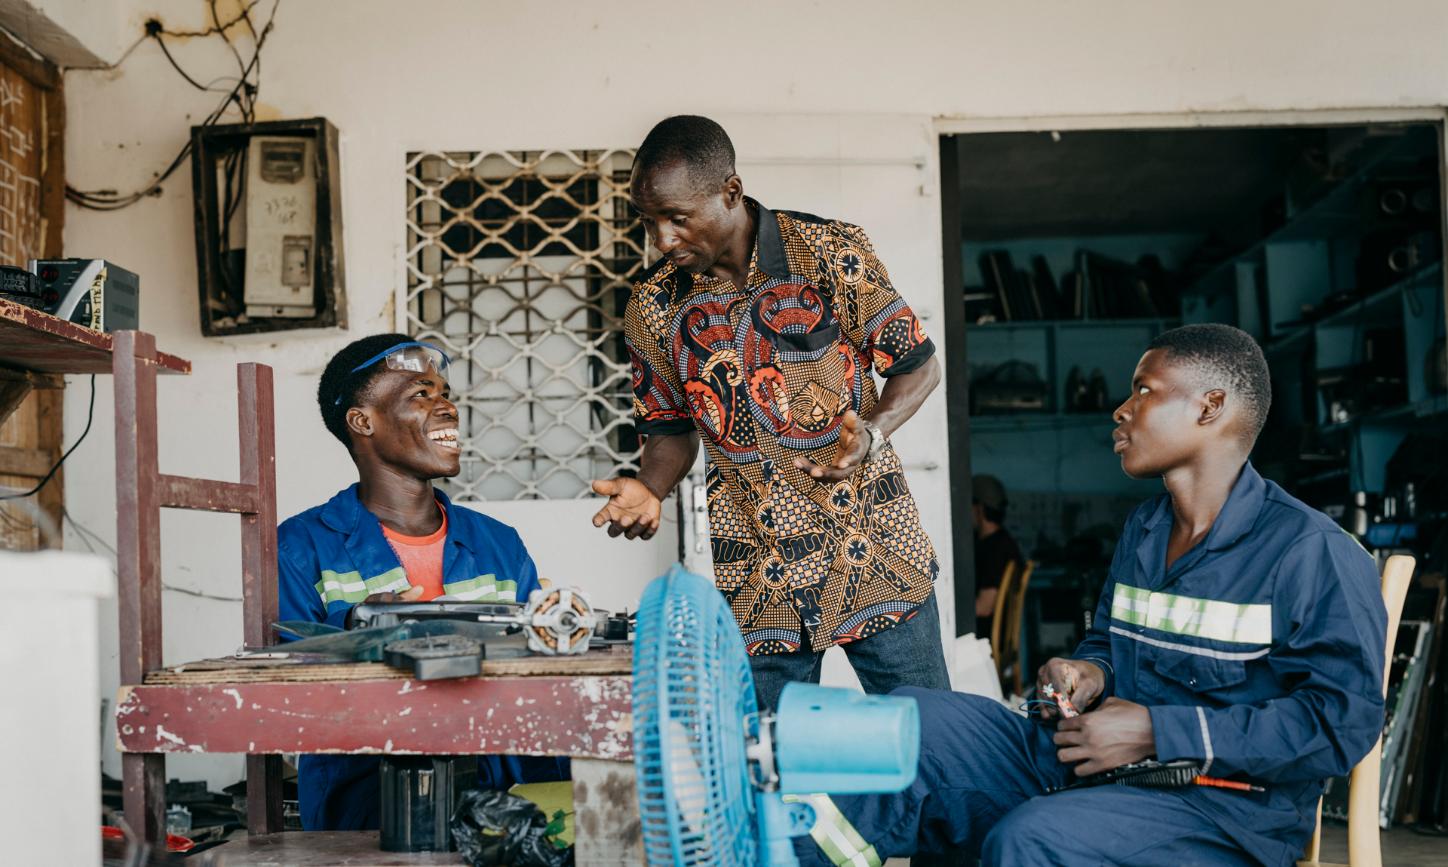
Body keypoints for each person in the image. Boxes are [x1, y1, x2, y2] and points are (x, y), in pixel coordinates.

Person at [796, 324, 1388, 867]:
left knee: (1031, 838)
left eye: (1145, 391)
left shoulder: (1311, 551)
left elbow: (1342, 724)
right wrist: (1088, 671)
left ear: (1211, 407)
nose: (1122, 410)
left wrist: (1158, 731)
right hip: (1099, 767)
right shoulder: (1146, 531)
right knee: (914, 721)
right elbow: (1108, 644)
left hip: (1219, 813)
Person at [590, 115, 950, 711]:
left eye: (678, 218)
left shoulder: (831, 253)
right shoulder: (652, 308)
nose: (662, 239)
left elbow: (918, 365)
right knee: (765, 763)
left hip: (876, 551)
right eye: (649, 222)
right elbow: (670, 432)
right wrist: (649, 487)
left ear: (730, 192)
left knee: (935, 740)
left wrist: (874, 436)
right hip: (759, 575)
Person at [277, 334, 564, 831]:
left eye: (445, 393)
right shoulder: (301, 546)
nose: (448, 408)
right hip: (365, 809)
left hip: (501, 802)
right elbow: (281, 694)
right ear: (362, 421)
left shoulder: (499, 543)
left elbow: (538, 681)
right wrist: (355, 628)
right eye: (421, 395)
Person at [971, 473, 1022, 639]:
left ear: (979, 508)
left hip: (982, 642)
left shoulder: (997, 548)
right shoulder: (1000, 542)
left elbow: (984, 607)